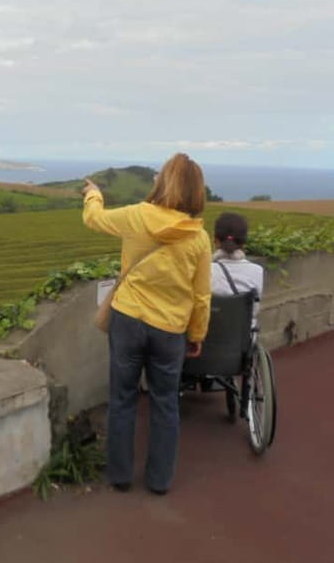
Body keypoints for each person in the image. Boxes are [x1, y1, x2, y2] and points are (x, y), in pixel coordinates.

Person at [82, 153, 212, 495]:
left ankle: (120, 476)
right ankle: (159, 481)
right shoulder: (199, 238)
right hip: (170, 330)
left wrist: (94, 194)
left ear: (162, 182)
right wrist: (196, 334)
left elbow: (94, 220)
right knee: (165, 403)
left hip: (128, 320)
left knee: (122, 398)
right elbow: (201, 296)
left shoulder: (137, 216)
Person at [210, 212, 263, 325]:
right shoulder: (258, 271)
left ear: (215, 241)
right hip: (244, 339)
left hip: (209, 339)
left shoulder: (205, 270)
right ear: (243, 243)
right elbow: (255, 309)